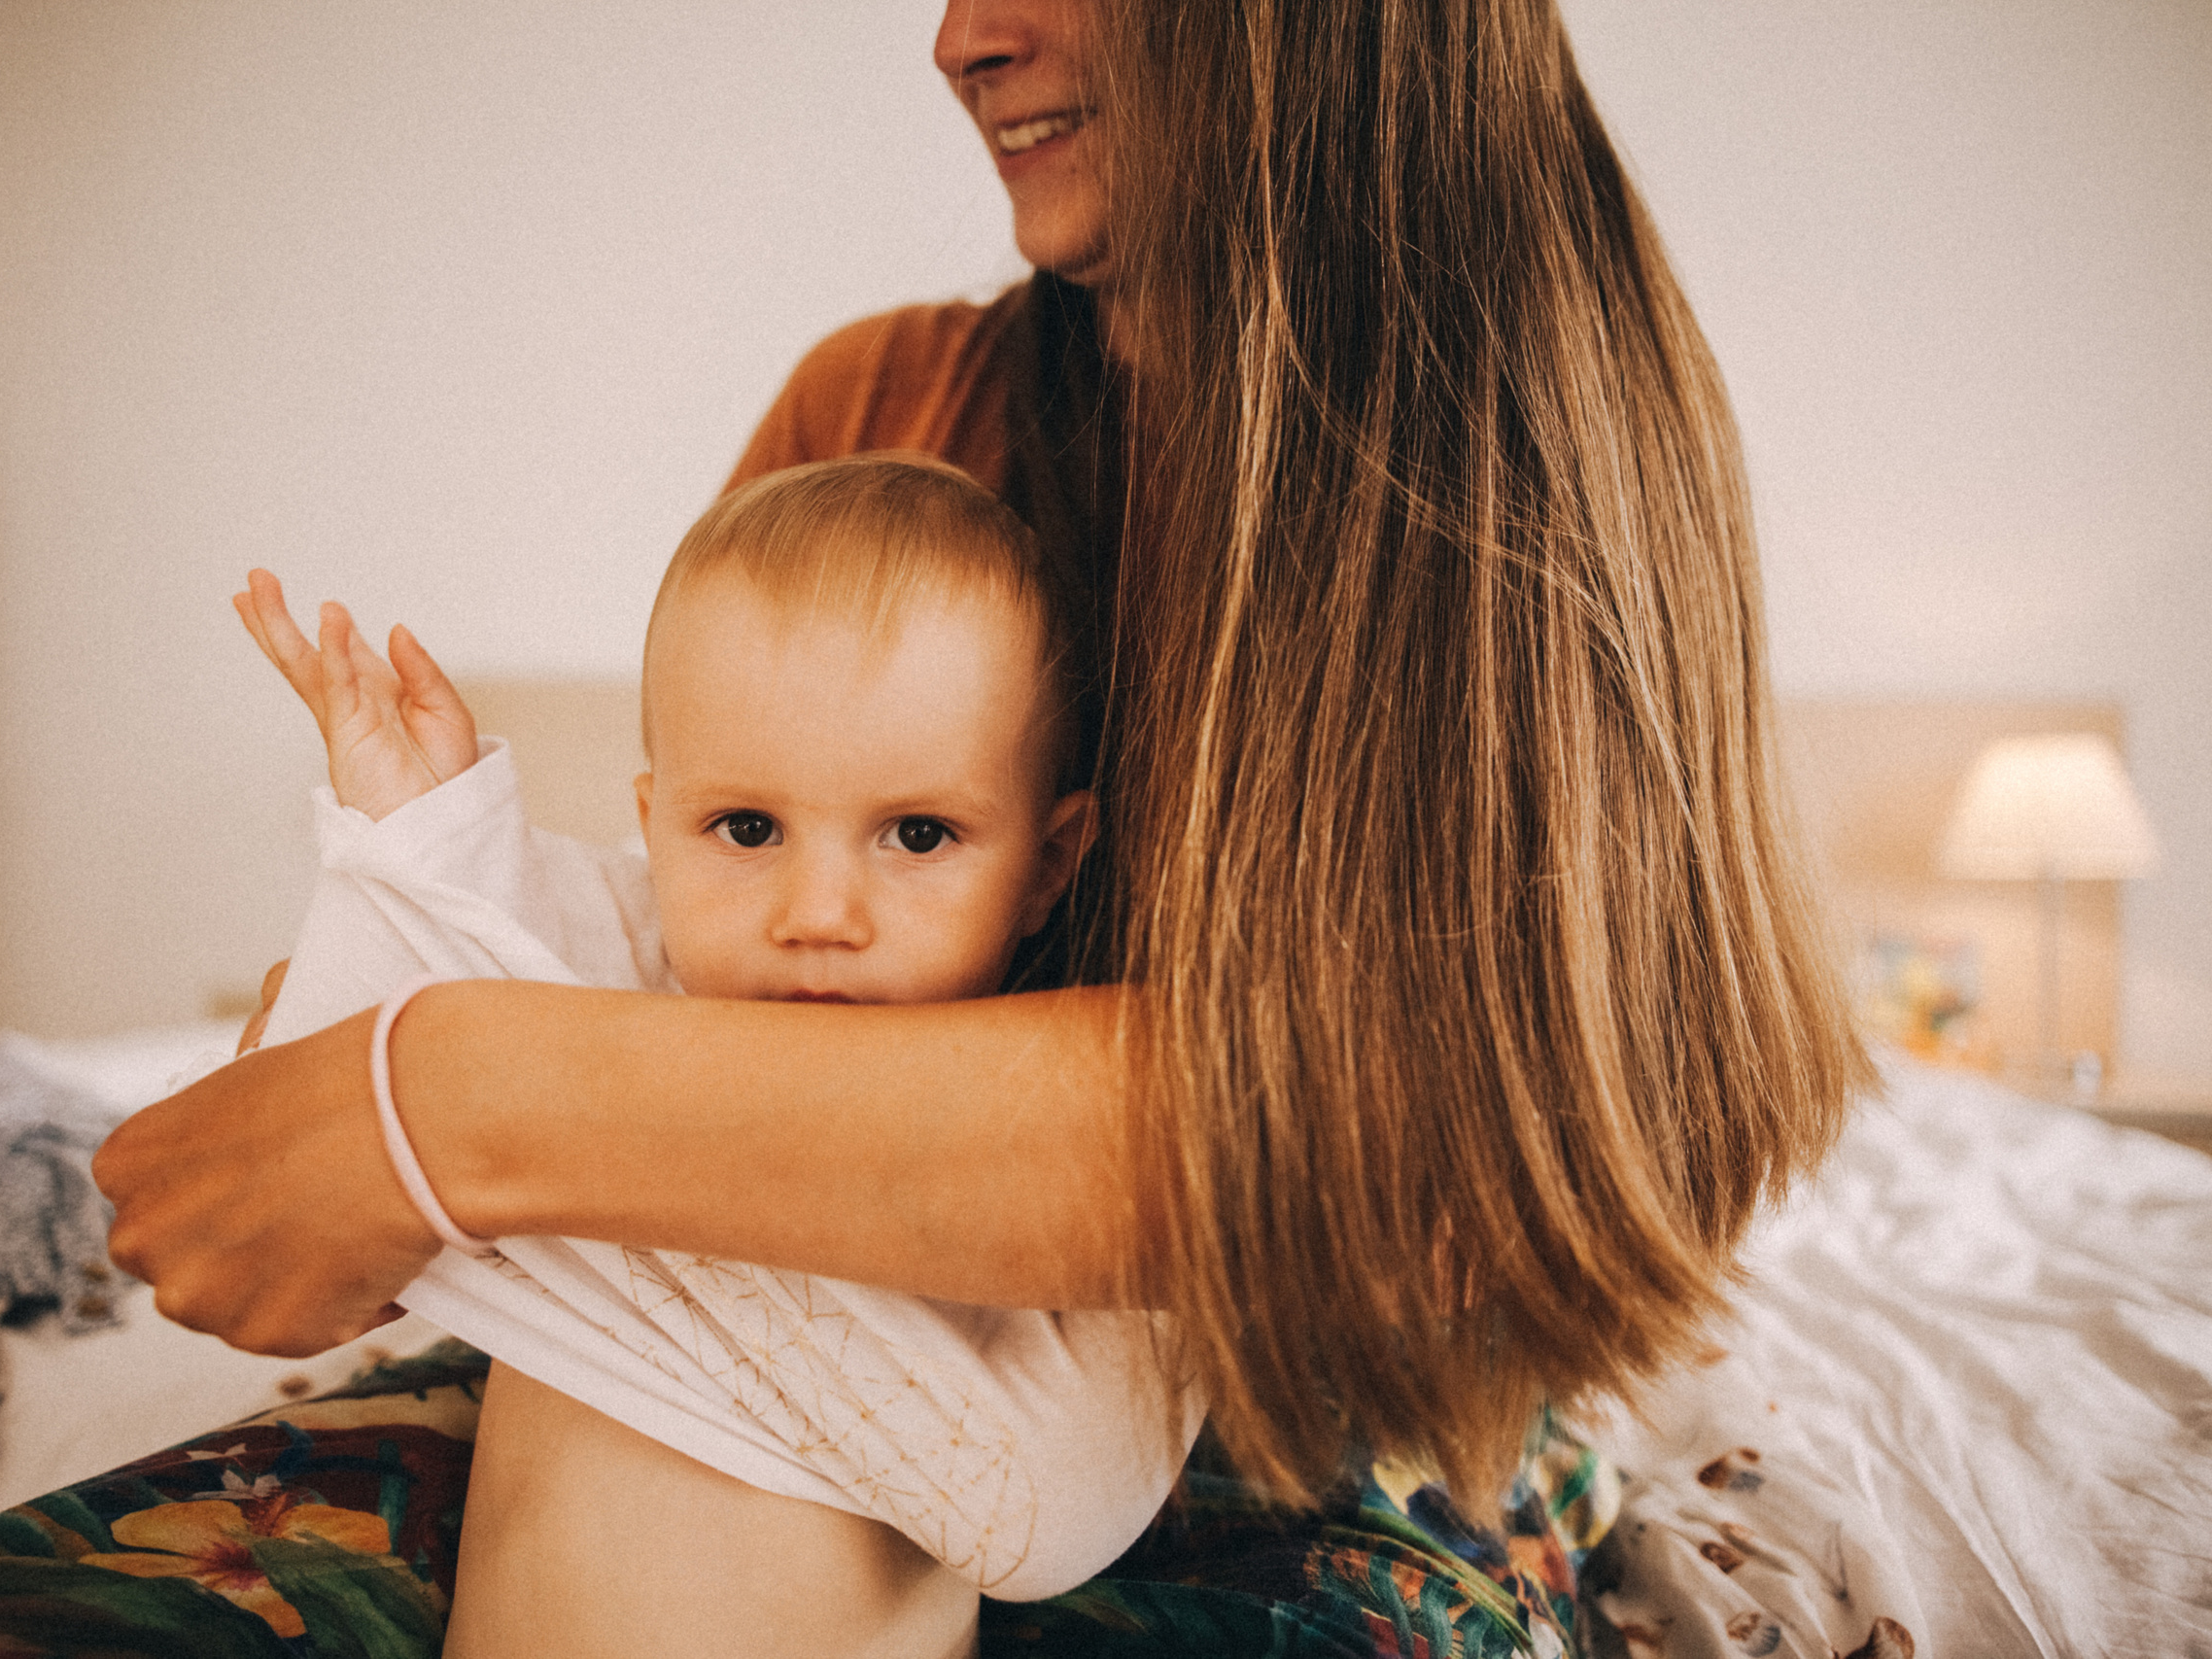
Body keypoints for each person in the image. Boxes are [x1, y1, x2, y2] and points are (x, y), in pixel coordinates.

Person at [97, 1, 1869, 1653]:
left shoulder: (1531, 487)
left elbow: (1412, 1142)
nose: (959, 36)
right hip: (801, 1338)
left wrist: (440, 1097)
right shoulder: (886, 425)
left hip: (1358, 1401)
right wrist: (391, 1002)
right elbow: (687, 990)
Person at [228, 457, 1196, 1657]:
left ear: (1051, 862)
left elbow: (1059, 1494)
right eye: (746, 828)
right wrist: (419, 831)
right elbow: (445, 972)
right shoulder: (621, 994)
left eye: (919, 834)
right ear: (654, 825)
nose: (819, 910)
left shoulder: (1026, 1126)